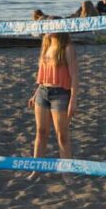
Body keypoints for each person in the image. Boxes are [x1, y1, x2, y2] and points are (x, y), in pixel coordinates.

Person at [28, 32, 78, 165]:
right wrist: (35, 94)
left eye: (51, 24)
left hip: (61, 94)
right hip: (43, 93)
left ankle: (67, 172)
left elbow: (74, 76)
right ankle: (36, 169)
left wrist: (73, 100)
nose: (47, 28)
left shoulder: (67, 48)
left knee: (62, 136)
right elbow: (44, 76)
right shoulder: (46, 45)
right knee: (41, 132)